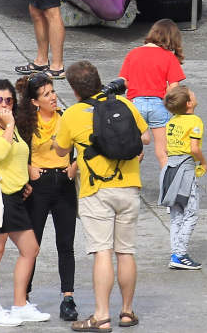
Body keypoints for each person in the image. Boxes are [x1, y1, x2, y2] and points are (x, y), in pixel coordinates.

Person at [53, 60, 147, 332]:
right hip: (129, 186)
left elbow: (61, 150)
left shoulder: (72, 114)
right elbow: (145, 138)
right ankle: (127, 312)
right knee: (126, 252)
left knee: (102, 251)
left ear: (74, 88)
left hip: (96, 190)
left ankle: (102, 315)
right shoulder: (124, 104)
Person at [0, 78, 48, 327]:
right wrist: (8, 125)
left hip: (15, 195)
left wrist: (23, 181)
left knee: (30, 249)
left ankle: (19, 304)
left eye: (9, 100)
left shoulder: (10, 125)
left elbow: (18, 157)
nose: (4, 105)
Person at [15, 73, 79, 323]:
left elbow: (83, 143)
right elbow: (14, 149)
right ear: (34, 102)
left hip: (63, 184)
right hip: (38, 186)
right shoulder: (26, 123)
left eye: (53, 92)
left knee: (66, 244)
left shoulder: (65, 117)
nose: (53, 97)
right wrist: (27, 167)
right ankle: (24, 295)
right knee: (32, 245)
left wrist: (74, 164)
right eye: (46, 95)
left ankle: (68, 298)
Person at [118, 19, 186, 170]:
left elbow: (123, 82)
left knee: (135, 151)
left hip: (135, 104)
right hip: (159, 105)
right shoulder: (169, 57)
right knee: (163, 152)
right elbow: (174, 88)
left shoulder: (133, 53)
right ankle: (168, 187)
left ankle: (130, 182)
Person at [160, 83, 207, 272]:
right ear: (189, 103)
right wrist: (203, 162)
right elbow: (194, 148)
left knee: (176, 214)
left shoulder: (171, 121)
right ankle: (180, 253)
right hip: (185, 170)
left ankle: (175, 252)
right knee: (191, 212)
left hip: (170, 169)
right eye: (192, 94)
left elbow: (164, 148)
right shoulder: (195, 121)